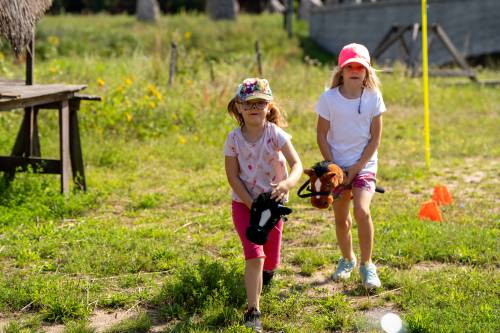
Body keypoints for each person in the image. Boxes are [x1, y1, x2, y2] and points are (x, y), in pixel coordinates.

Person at [224, 78, 303, 331]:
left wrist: (287, 185)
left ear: (268, 106)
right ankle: (253, 310)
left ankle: (267, 275)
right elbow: (232, 176)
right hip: (243, 203)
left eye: (259, 103)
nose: (254, 108)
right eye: (248, 103)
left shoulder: (274, 133)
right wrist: (250, 203)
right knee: (255, 255)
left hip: (273, 205)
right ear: (239, 107)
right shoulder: (233, 139)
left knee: (269, 261)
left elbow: (297, 165)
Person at [315, 43, 386, 289]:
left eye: (360, 66)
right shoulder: (328, 99)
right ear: (342, 70)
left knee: (362, 212)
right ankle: (348, 259)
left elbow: (375, 139)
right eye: (350, 66)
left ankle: (367, 265)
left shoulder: (373, 99)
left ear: (367, 71)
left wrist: (356, 169)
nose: (355, 70)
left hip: (364, 165)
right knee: (341, 218)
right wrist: (334, 168)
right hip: (337, 167)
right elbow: (322, 135)